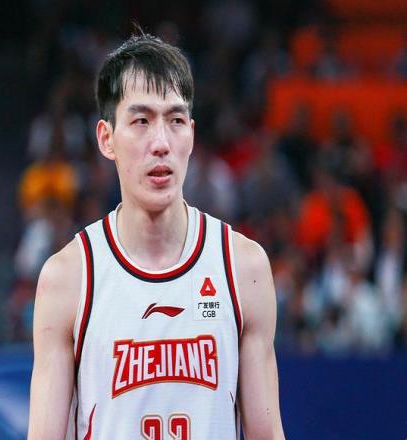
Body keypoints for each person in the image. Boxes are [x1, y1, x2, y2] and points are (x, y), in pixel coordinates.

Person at [28, 32, 285, 439]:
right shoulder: (68, 278)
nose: (161, 143)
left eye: (176, 120)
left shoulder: (244, 268)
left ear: (192, 135)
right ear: (106, 138)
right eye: (141, 121)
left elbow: (266, 433)